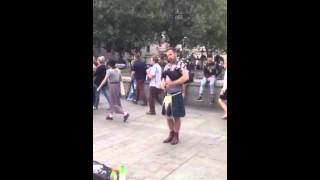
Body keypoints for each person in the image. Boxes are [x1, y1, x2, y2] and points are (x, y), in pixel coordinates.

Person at [161, 48, 189, 145]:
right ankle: (171, 134)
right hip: (167, 95)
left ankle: (176, 135)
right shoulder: (166, 66)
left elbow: (186, 77)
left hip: (176, 94)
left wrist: (172, 83)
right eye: (167, 55)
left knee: (176, 116)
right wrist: (162, 84)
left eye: (171, 54)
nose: (169, 57)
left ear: (175, 54)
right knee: (168, 116)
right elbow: (163, 78)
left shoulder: (181, 64)